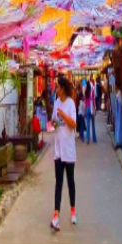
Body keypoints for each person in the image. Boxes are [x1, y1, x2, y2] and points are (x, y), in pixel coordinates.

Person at [51, 75, 78, 230]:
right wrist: (54, 122)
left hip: (69, 149)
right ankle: (56, 216)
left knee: (70, 181)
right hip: (58, 150)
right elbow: (55, 122)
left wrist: (62, 115)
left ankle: (73, 211)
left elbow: (73, 124)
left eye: (58, 87)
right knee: (58, 183)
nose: (56, 89)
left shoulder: (70, 104)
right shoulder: (56, 103)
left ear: (63, 88)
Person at [114, 77, 122, 149]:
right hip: (118, 112)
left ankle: (119, 142)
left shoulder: (119, 93)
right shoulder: (118, 93)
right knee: (118, 126)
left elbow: (121, 103)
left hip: (119, 111)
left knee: (119, 126)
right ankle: (118, 141)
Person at [85, 77, 97, 144]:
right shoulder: (92, 92)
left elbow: (85, 102)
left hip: (87, 108)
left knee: (88, 124)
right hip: (92, 108)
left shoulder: (86, 92)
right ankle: (94, 138)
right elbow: (93, 100)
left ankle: (87, 139)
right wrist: (95, 108)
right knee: (93, 124)